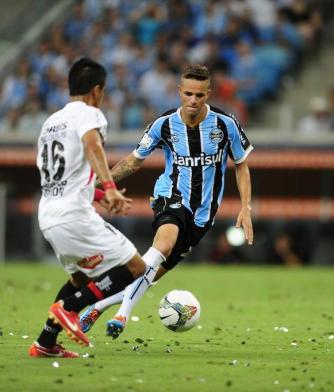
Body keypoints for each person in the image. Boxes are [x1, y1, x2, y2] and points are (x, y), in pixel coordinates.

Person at [80, 64, 254, 338]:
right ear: (179, 92)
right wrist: (99, 183)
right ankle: (122, 316)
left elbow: (241, 165)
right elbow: (133, 161)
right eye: (188, 94)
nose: (193, 100)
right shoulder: (164, 125)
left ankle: (98, 305)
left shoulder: (225, 124)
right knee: (163, 245)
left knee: (147, 276)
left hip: (202, 215)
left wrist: (245, 207)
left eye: (199, 95)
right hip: (169, 195)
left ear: (208, 93)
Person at [29, 57, 151, 358]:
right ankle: (69, 309)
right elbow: (92, 145)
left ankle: (45, 343)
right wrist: (109, 187)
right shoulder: (90, 114)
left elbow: (65, 175)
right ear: (97, 91)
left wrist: (98, 195)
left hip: (49, 214)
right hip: (73, 216)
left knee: (80, 279)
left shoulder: (51, 122)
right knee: (136, 267)